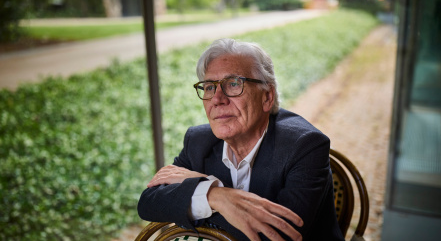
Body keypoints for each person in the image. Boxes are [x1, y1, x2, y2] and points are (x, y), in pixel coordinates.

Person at [138, 38, 344, 241]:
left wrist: (201, 193)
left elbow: (276, 236)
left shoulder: (305, 146)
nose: (218, 99)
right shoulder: (198, 141)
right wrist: (215, 195)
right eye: (210, 87)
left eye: (234, 84)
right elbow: (149, 203)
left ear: (267, 97)